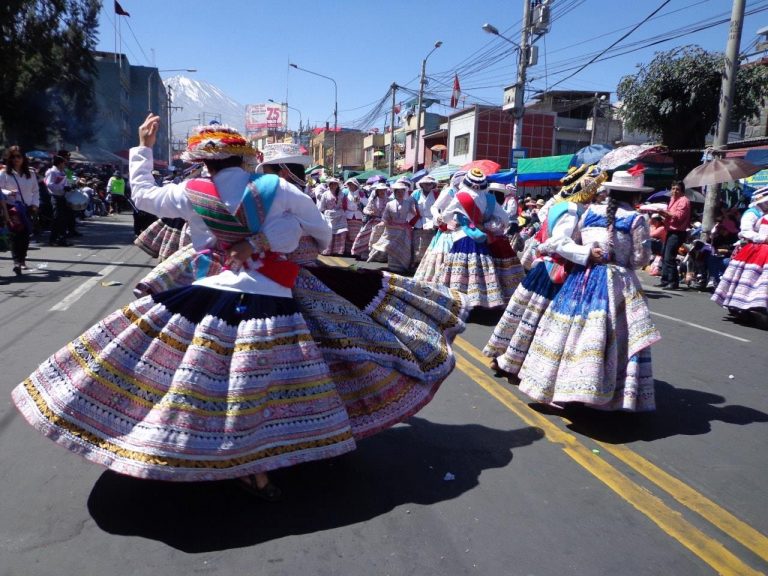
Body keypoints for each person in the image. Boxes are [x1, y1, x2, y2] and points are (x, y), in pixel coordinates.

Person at [13, 114, 468, 500]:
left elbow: (143, 196)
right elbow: (320, 230)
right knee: (284, 376)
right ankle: (282, 450)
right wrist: (282, 244)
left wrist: (142, 148)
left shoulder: (189, 191)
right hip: (274, 293)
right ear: (246, 157)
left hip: (207, 293)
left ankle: (203, 450)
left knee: (199, 380)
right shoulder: (276, 187)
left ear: (200, 162)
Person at [516, 170, 661, 411]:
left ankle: (561, 385)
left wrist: (589, 253)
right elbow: (639, 259)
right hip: (617, 282)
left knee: (571, 332)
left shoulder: (590, 212)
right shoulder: (636, 220)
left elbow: (572, 242)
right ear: (635, 195)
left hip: (582, 278)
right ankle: (600, 391)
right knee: (614, 336)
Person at [483, 166, 607, 379]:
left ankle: (509, 359)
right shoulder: (570, 210)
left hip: (548, 268)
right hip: (554, 270)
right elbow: (559, 242)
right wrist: (586, 252)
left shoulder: (562, 205)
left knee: (528, 316)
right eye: (596, 190)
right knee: (539, 319)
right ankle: (512, 361)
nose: (598, 195)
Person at [435, 168, 518, 309]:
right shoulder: (489, 198)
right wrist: (489, 224)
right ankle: (481, 300)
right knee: (482, 268)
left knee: (460, 269)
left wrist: (440, 219)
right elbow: (504, 218)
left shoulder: (461, 196)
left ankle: (459, 300)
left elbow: (447, 216)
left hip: (463, 235)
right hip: (482, 236)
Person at [712, 186, 768, 315]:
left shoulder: (765, 214)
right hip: (751, 249)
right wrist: (763, 238)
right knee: (746, 278)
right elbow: (745, 232)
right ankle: (737, 304)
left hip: (762, 250)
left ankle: (756, 304)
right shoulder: (752, 213)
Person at [413, 170, 465, 283]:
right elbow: (435, 207)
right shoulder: (449, 192)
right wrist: (438, 218)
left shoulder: (466, 193)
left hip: (462, 229)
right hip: (447, 228)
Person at [0, 146, 39, 275]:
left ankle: (22, 260)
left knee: (26, 235)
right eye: (13, 157)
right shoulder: (4, 173)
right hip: (12, 208)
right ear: (9, 159)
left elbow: (35, 191)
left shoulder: (31, 173)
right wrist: (8, 192)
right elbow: (0, 190)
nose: (16, 159)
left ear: (23, 158)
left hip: (27, 207)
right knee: (15, 235)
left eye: (19, 156)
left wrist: (35, 204)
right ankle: (17, 262)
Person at [367, 179, 417, 273]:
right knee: (390, 246)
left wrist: (407, 222)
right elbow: (385, 216)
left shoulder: (408, 203)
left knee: (403, 247)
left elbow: (413, 214)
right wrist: (384, 223)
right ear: (395, 192)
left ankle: (402, 266)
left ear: (404, 192)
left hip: (403, 229)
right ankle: (392, 266)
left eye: (402, 191)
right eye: (398, 191)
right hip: (392, 229)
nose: (400, 193)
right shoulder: (389, 204)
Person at [657, 180, 691, 290]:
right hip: (669, 230)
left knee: (669, 257)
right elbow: (670, 215)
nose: (675, 191)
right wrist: (662, 213)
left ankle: (673, 282)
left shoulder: (683, 201)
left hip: (677, 232)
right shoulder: (672, 199)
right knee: (664, 254)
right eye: (673, 188)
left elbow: (678, 216)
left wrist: (665, 213)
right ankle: (665, 279)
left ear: (682, 191)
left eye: (677, 189)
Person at [351, 182, 388, 261]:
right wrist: (370, 212)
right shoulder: (373, 200)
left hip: (384, 222)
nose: (382, 192)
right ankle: (366, 254)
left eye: (383, 190)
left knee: (381, 240)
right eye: (380, 190)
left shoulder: (388, 200)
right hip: (374, 221)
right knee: (367, 237)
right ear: (377, 191)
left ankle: (379, 257)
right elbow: (366, 209)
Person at [410, 175, 440, 268]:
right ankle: (416, 262)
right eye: (426, 184)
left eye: (430, 184)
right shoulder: (416, 194)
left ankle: (428, 264)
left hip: (432, 221)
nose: (428, 185)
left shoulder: (436, 194)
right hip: (418, 220)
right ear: (421, 185)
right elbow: (410, 205)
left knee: (430, 243)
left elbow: (440, 207)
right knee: (417, 243)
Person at [45, 154, 71, 246]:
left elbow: (64, 184)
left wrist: (67, 187)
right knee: (57, 218)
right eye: (64, 163)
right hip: (55, 197)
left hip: (61, 197)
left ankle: (62, 239)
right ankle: (52, 240)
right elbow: (49, 184)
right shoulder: (52, 172)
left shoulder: (62, 172)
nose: (65, 165)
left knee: (63, 219)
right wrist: (62, 188)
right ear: (60, 163)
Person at [317, 177, 347, 255]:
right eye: (332, 184)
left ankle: (338, 250)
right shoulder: (325, 194)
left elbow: (344, 204)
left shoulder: (341, 194)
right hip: (329, 216)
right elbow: (321, 206)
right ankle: (327, 250)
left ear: (337, 185)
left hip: (340, 215)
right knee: (330, 233)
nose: (333, 185)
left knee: (341, 233)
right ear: (329, 185)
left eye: (335, 184)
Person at [341, 178, 366, 255]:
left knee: (357, 234)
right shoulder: (345, 193)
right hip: (348, 215)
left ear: (356, 185)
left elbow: (366, 203)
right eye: (349, 185)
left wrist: (360, 200)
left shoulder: (361, 193)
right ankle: (348, 250)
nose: (351, 186)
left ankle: (356, 250)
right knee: (348, 234)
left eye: (352, 185)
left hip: (358, 215)